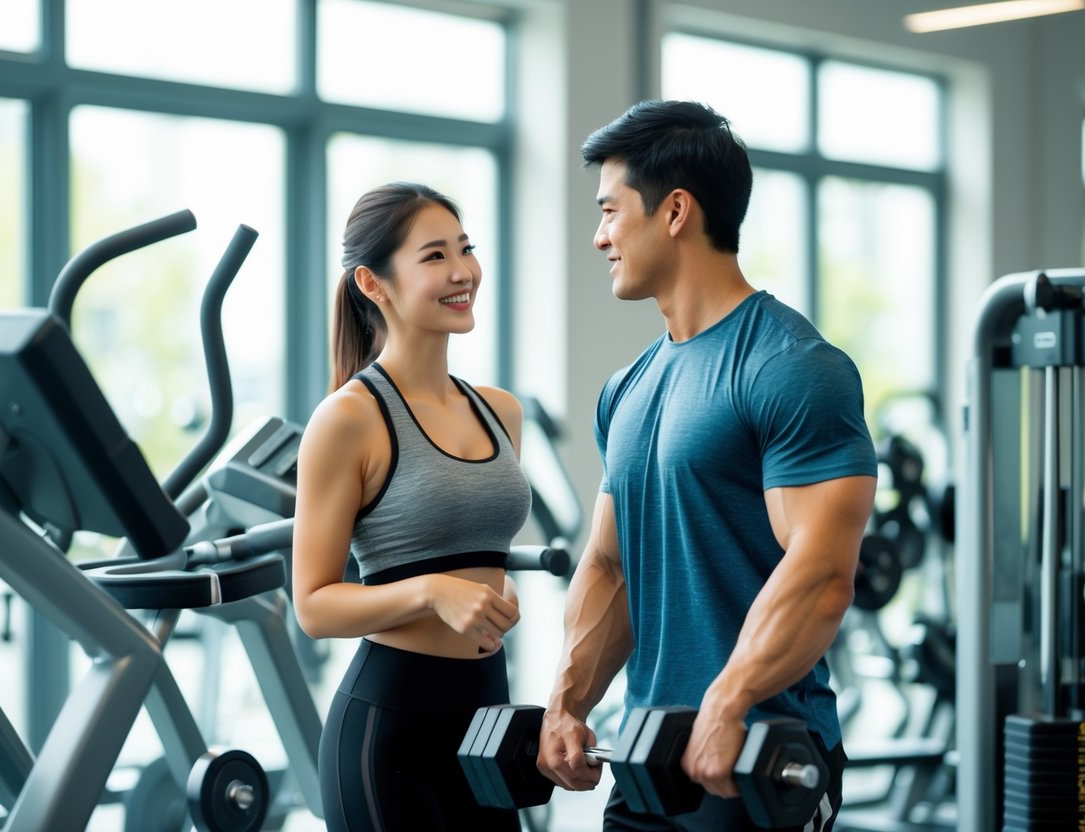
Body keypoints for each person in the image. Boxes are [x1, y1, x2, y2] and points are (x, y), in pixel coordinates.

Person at [536, 100, 878, 831]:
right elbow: (610, 566)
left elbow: (820, 571)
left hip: (757, 756)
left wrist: (728, 699)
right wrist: (568, 702)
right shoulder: (626, 387)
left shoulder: (791, 367)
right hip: (648, 757)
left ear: (675, 211)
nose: (599, 237)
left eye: (609, 211)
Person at [292, 182, 530, 832]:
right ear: (373, 283)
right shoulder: (348, 418)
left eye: (466, 249)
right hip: (388, 731)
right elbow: (312, 606)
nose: (463, 272)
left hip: (486, 715)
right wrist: (430, 593)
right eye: (434, 256)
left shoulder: (499, 411)